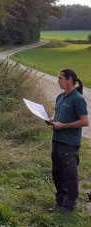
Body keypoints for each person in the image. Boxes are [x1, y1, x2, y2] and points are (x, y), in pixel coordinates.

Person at [47, 68, 88, 212]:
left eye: (60, 78)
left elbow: (85, 121)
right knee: (56, 172)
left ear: (69, 79)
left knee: (70, 174)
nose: (57, 81)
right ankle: (60, 201)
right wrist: (51, 119)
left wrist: (63, 125)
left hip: (69, 144)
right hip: (56, 140)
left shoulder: (78, 99)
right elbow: (56, 111)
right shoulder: (60, 96)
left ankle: (69, 205)